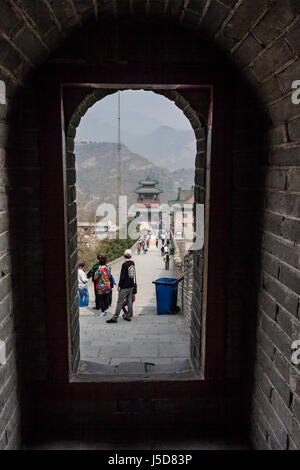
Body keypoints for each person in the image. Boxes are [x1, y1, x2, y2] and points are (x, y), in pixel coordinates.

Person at [106, 249, 136, 323]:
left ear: (124, 255)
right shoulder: (133, 263)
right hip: (131, 285)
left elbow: (122, 277)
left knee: (119, 302)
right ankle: (128, 316)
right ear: (131, 255)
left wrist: (119, 285)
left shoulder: (124, 265)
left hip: (125, 286)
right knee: (129, 301)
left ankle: (115, 317)